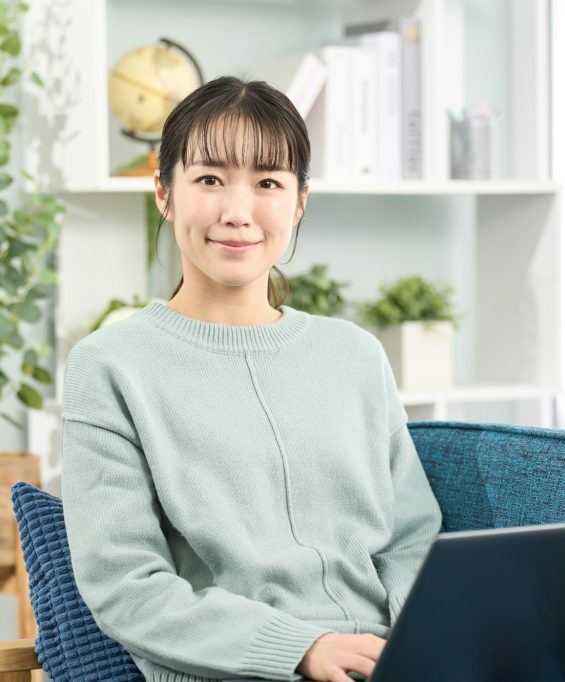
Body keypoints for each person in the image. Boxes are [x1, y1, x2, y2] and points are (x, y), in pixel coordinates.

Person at [61, 75, 443, 682]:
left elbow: (410, 540)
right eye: (209, 179)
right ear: (164, 193)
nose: (237, 212)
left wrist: (430, 647)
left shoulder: (355, 355)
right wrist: (301, 648)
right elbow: (125, 587)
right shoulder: (109, 366)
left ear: (299, 201)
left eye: (268, 183)